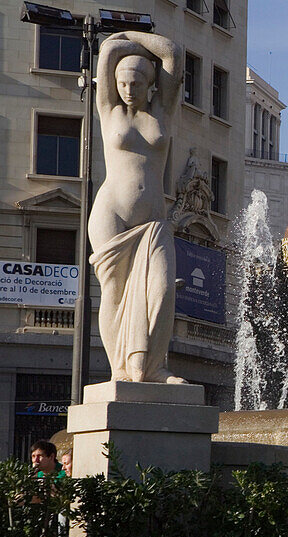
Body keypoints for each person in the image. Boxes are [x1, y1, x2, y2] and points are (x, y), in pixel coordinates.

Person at [88, 31, 186, 383]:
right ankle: (120, 370)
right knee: (113, 294)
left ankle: (153, 367)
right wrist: (122, 44)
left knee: (161, 289)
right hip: (111, 213)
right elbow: (108, 50)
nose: (128, 89)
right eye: (122, 83)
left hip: (153, 221)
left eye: (136, 83)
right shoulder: (107, 110)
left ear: (151, 86)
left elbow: (173, 52)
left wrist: (130, 36)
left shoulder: (163, 111)